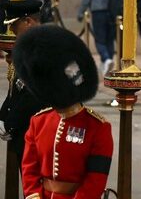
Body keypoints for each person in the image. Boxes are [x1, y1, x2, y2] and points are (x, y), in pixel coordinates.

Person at [13, 25, 113, 198]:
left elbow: (96, 178)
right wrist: (34, 195)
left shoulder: (98, 127)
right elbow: (29, 169)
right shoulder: (38, 122)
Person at [0, 0, 47, 167]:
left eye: (14, 24)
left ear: (28, 21)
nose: (11, 30)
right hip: (25, 131)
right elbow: (16, 88)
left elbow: (33, 94)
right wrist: (3, 115)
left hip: (39, 133)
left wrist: (10, 122)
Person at [77, 0, 120, 75]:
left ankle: (106, 59)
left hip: (98, 11)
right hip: (113, 10)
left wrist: (80, 13)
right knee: (110, 38)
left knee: (100, 39)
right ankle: (108, 61)